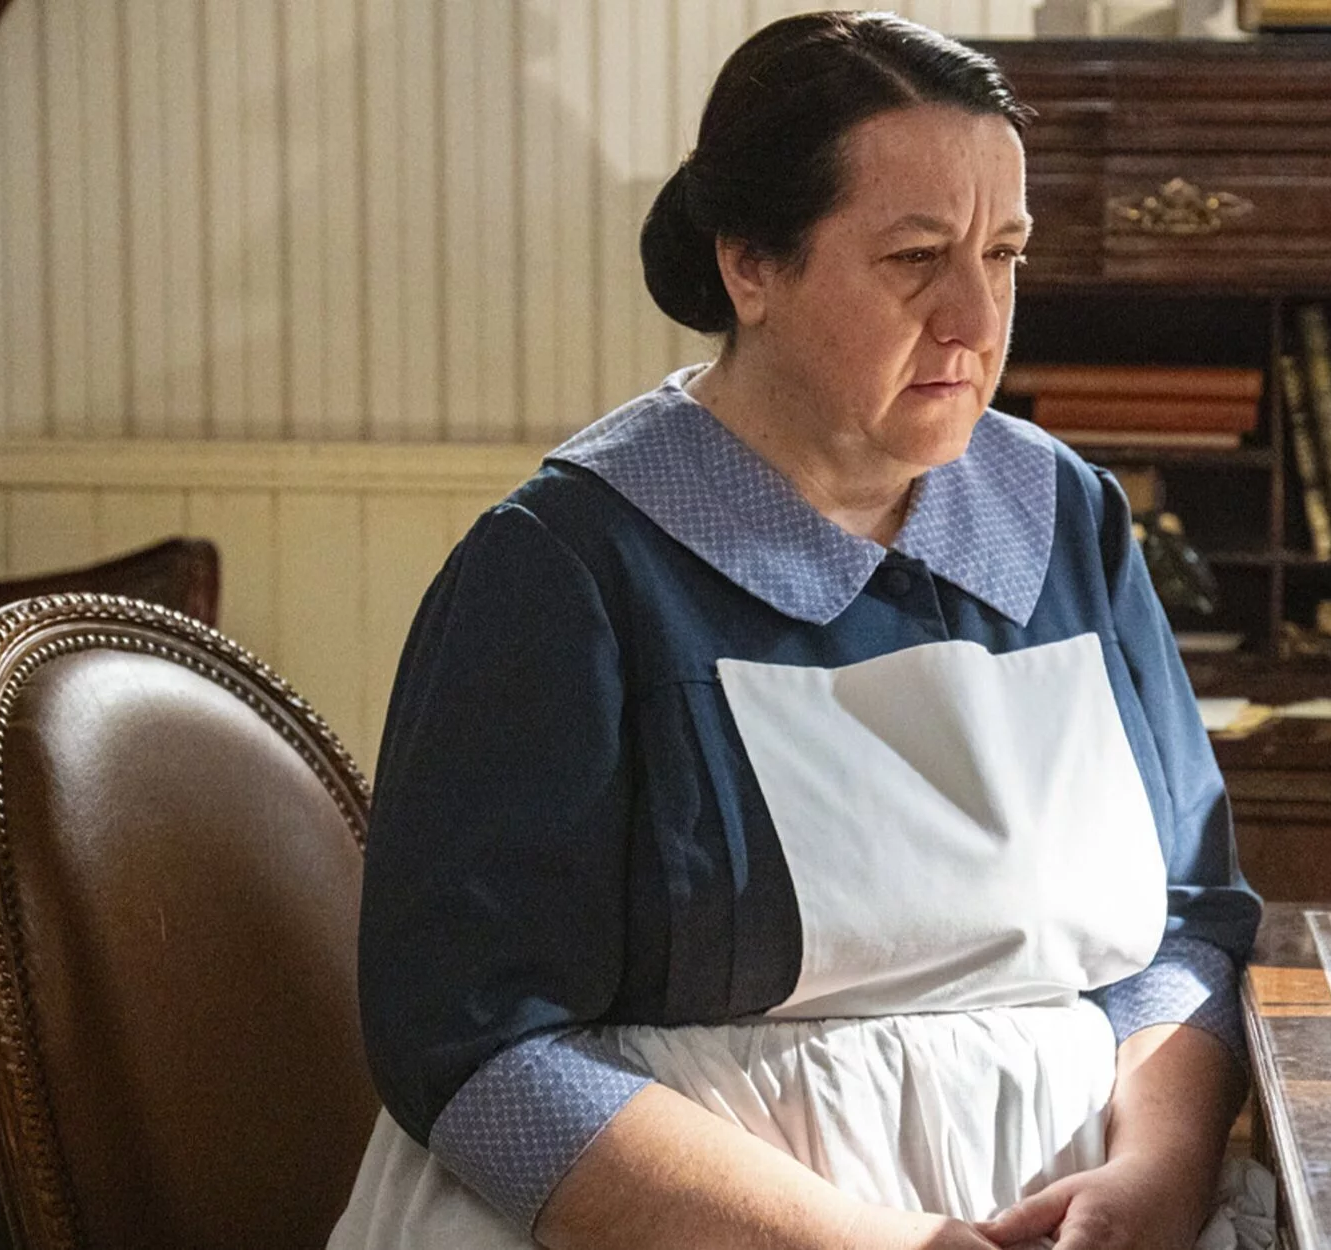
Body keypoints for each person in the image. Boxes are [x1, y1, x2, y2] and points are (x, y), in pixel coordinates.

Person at [328, 12, 1263, 1250]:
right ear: (749, 267)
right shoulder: (564, 569)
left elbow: (1188, 922)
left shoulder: (1066, 519)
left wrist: (1158, 1170)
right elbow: (469, 1043)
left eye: (1002, 253)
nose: (975, 317)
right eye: (915, 257)